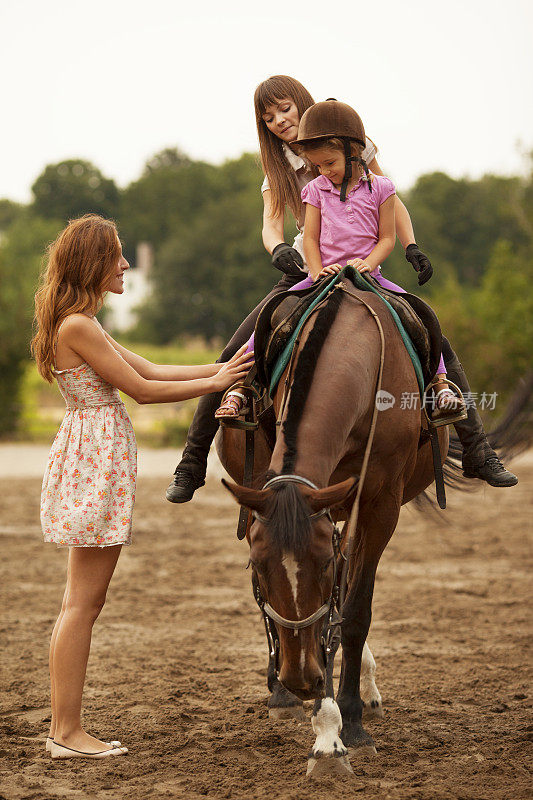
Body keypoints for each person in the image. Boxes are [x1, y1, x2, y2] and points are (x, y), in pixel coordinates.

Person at [166, 76, 516, 503]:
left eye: (284, 110)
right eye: (268, 117)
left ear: (301, 105)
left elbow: (392, 203)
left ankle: (477, 449)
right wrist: (278, 249)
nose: (278, 121)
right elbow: (271, 222)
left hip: (364, 263)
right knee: (233, 352)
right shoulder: (277, 166)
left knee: (432, 335)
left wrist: (411, 246)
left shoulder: (354, 146)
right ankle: (193, 460)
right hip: (306, 267)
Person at [31, 214, 253, 760]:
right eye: (118, 255)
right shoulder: (77, 326)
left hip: (95, 455)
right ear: (93, 262)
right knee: (82, 603)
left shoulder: (80, 321)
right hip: (94, 459)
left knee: (81, 601)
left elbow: (151, 367)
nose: (126, 263)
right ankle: (66, 731)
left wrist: (223, 366)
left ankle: (66, 727)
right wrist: (216, 383)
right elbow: (142, 392)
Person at [215, 101, 465, 423]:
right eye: (317, 166)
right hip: (321, 274)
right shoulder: (316, 189)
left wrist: (386, 256)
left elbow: (386, 238)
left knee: (421, 316)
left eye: (329, 163)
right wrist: (317, 271)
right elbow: (309, 238)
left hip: (368, 274)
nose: (324, 171)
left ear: (353, 152)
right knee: (270, 318)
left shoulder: (383, 189)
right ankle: (239, 389)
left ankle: (441, 387)